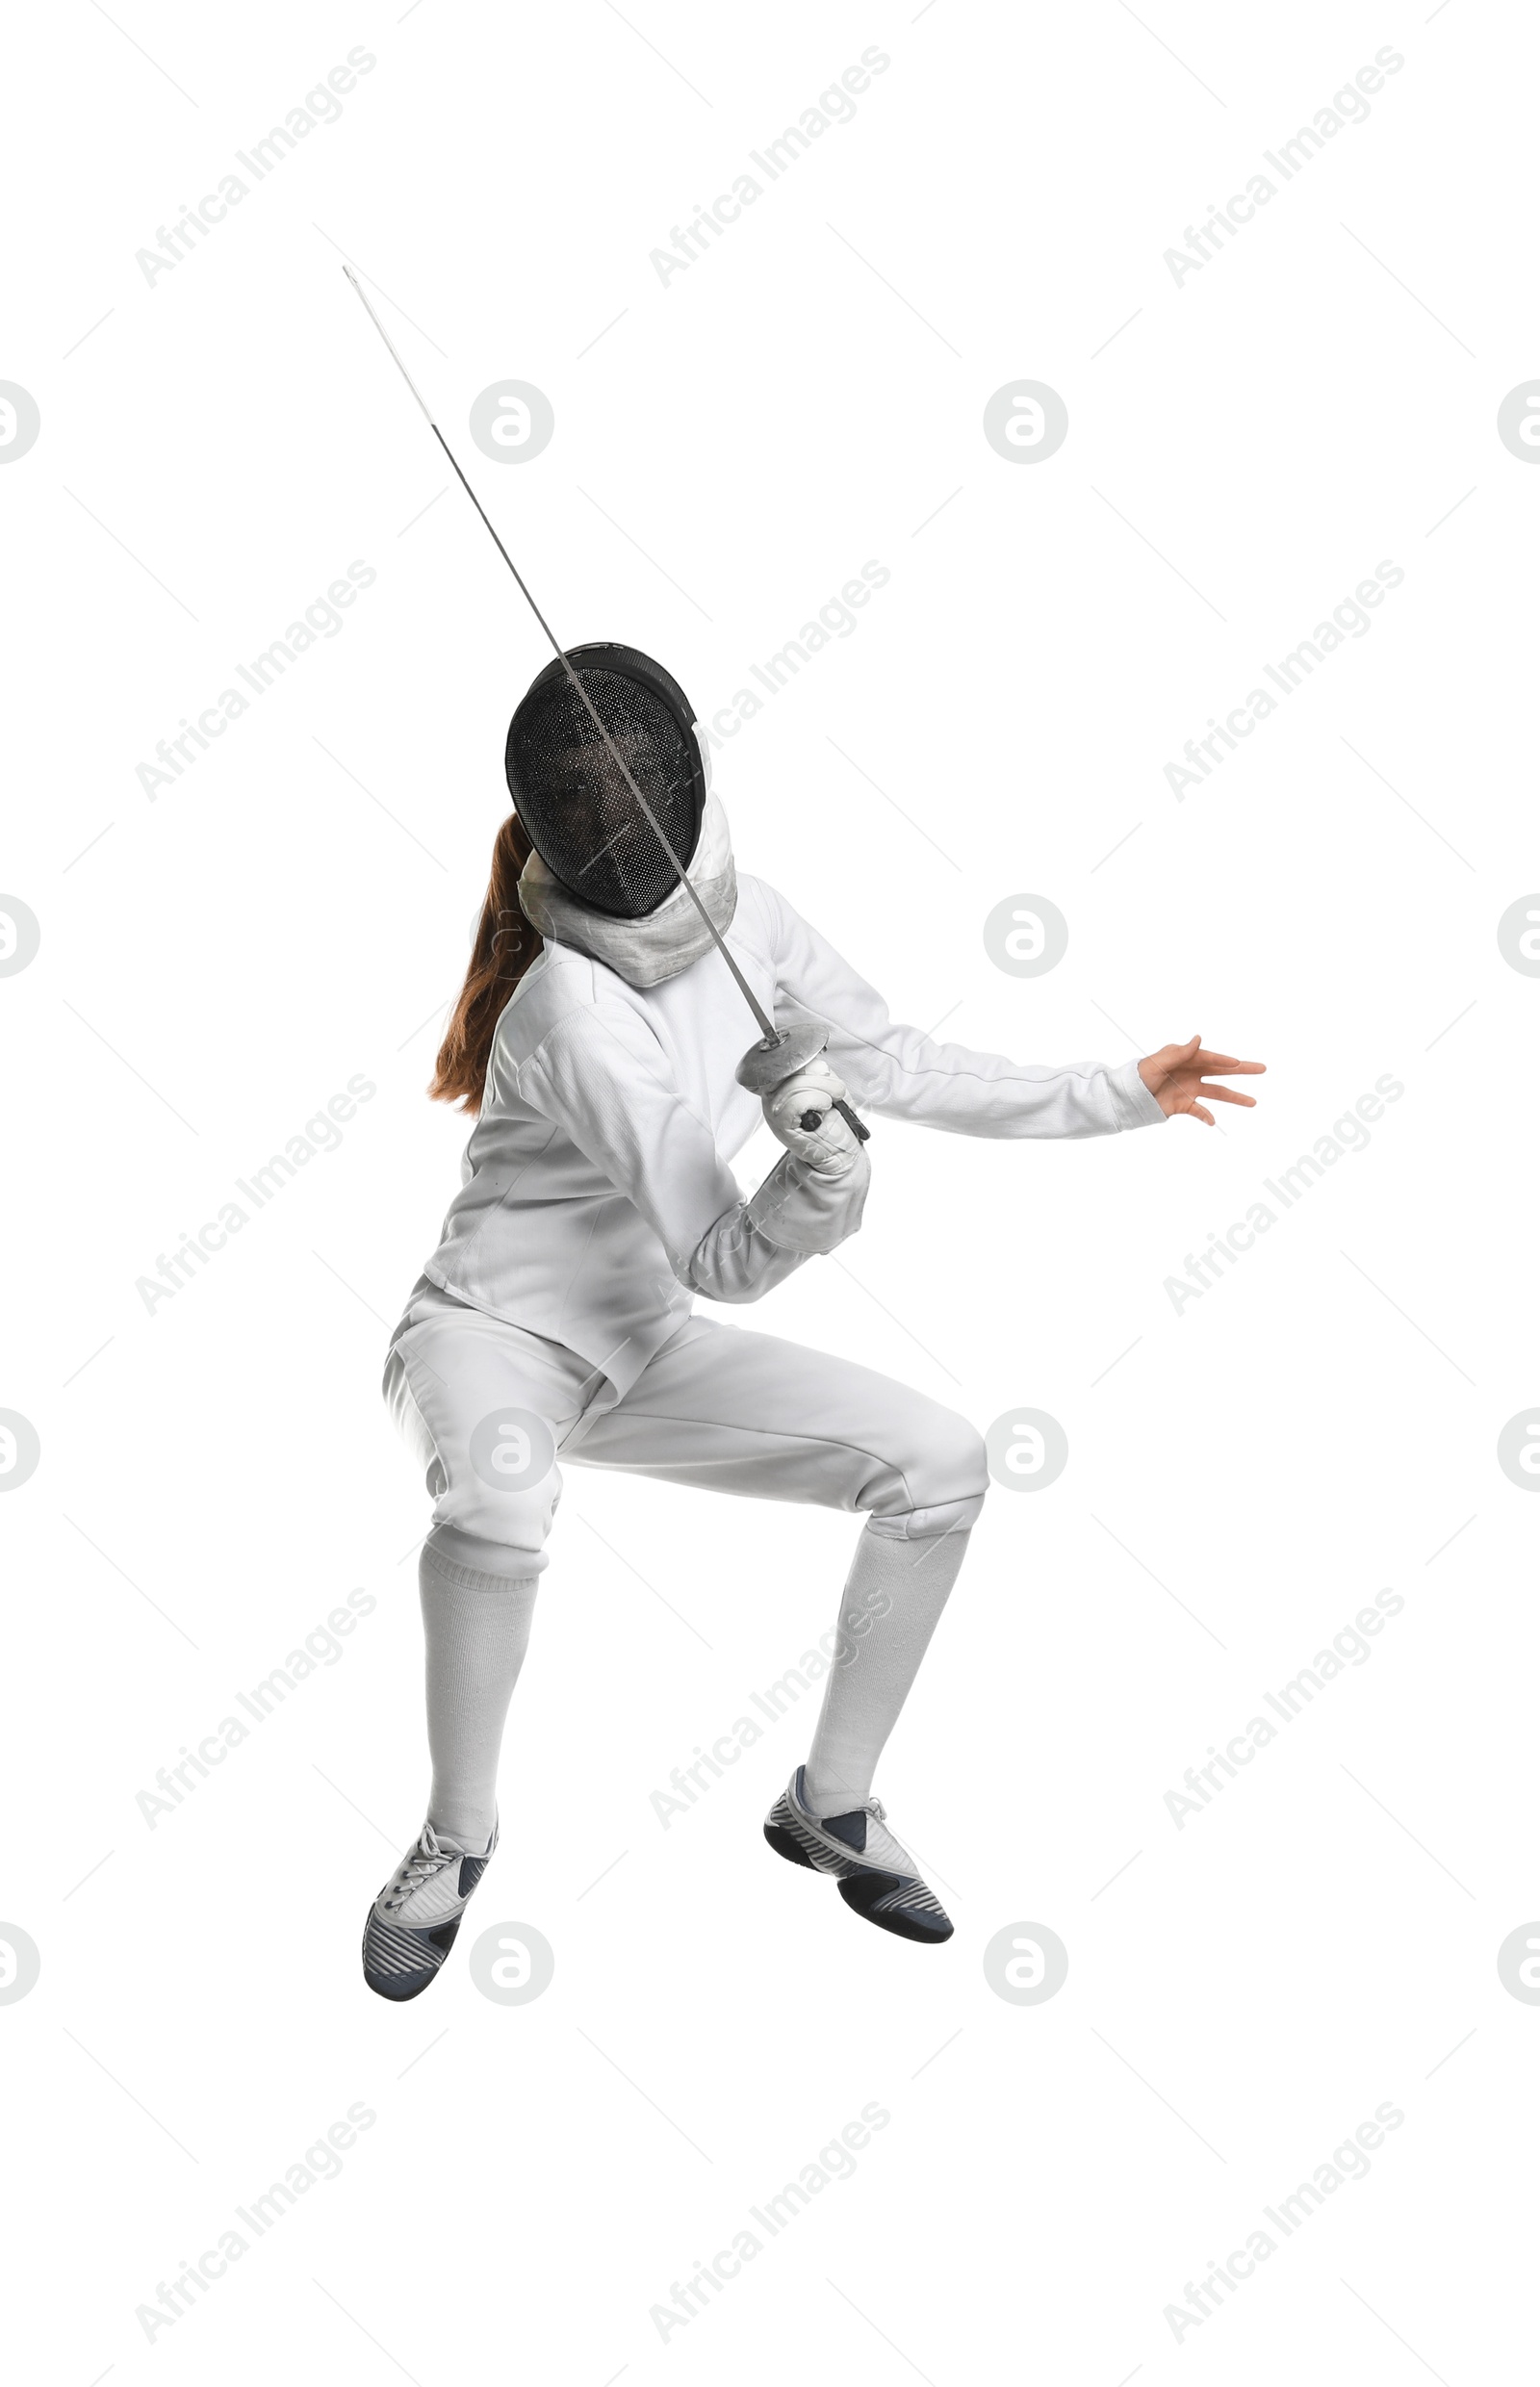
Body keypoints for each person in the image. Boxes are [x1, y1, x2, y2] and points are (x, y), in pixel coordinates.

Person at [362, 643, 1264, 1998]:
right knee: (501, 1496)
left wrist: (1113, 1091)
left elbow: (892, 1058)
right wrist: (822, 1167)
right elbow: (725, 1254)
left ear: (683, 778)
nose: (623, 813)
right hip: (487, 1336)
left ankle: (829, 1806)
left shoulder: (752, 919)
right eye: (595, 799)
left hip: (639, 1346)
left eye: (635, 785)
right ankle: (456, 1833)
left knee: (942, 1465)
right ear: (563, 827)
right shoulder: (567, 1009)